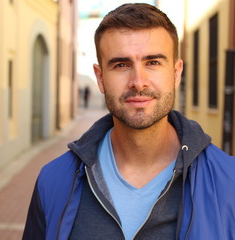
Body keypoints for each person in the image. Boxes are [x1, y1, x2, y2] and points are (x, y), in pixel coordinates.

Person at [23, 3, 235, 240]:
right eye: (121, 65)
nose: (138, 81)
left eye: (153, 62)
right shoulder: (53, 182)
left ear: (176, 73)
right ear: (100, 77)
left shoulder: (228, 184)